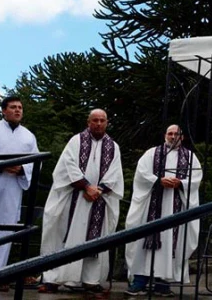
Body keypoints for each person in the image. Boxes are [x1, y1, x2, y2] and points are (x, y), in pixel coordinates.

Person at [39, 109, 124, 294]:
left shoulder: (113, 146)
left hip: (98, 200)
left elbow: (115, 173)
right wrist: (86, 186)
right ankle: (54, 279)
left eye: (102, 120)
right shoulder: (76, 141)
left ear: (107, 122)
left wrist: (98, 190)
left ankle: (90, 280)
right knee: (64, 235)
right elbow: (67, 165)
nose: (99, 123)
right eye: (95, 120)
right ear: (88, 122)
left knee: (95, 241)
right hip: (74, 198)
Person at [124, 125, 202, 297]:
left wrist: (180, 183)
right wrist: (158, 180)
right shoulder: (152, 153)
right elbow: (141, 174)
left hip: (176, 204)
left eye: (176, 134)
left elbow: (196, 178)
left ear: (182, 137)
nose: (173, 136)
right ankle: (140, 280)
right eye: (170, 133)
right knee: (143, 241)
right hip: (151, 204)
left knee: (170, 242)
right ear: (165, 135)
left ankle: (163, 282)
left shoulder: (190, 157)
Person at [0, 96, 39, 284]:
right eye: (13, 107)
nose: (17, 110)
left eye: (20, 107)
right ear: (4, 110)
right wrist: (0, 165)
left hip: (12, 188)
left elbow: (35, 162)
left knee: (5, 228)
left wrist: (21, 169)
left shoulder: (28, 136)